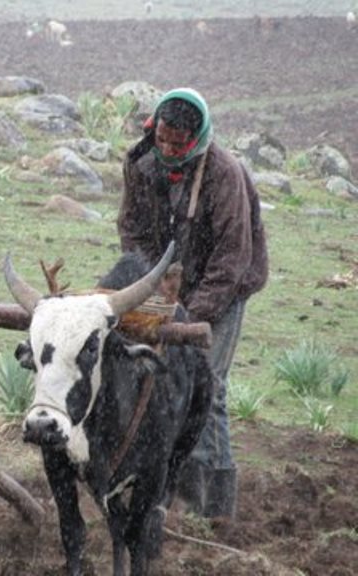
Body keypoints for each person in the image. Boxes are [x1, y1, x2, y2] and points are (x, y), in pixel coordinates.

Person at [116, 87, 269, 518]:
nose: (166, 149)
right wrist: (151, 283)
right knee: (156, 379)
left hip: (223, 289)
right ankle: (162, 482)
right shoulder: (141, 163)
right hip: (166, 286)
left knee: (206, 386)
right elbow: (132, 229)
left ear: (196, 138)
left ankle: (212, 500)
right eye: (161, 138)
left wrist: (193, 315)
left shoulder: (224, 173)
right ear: (154, 129)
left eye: (176, 144)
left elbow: (232, 257)